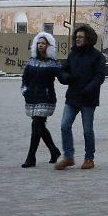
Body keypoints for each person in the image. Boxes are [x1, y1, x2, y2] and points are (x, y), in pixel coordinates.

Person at [56, 23, 107, 169]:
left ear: (88, 38)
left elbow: (100, 76)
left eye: (81, 37)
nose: (77, 39)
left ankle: (89, 158)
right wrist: (66, 78)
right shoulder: (73, 54)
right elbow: (63, 70)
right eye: (76, 37)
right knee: (64, 125)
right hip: (72, 97)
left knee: (87, 130)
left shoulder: (97, 56)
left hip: (88, 99)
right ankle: (68, 156)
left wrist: (88, 89)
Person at [19, 31, 61, 168]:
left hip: (46, 98)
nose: (40, 45)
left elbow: (63, 76)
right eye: (38, 43)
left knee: (36, 126)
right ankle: (54, 151)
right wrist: (25, 91)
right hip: (32, 99)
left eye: (43, 43)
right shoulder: (31, 61)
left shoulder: (53, 63)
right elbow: (25, 79)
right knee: (40, 127)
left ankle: (31, 158)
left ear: (49, 46)